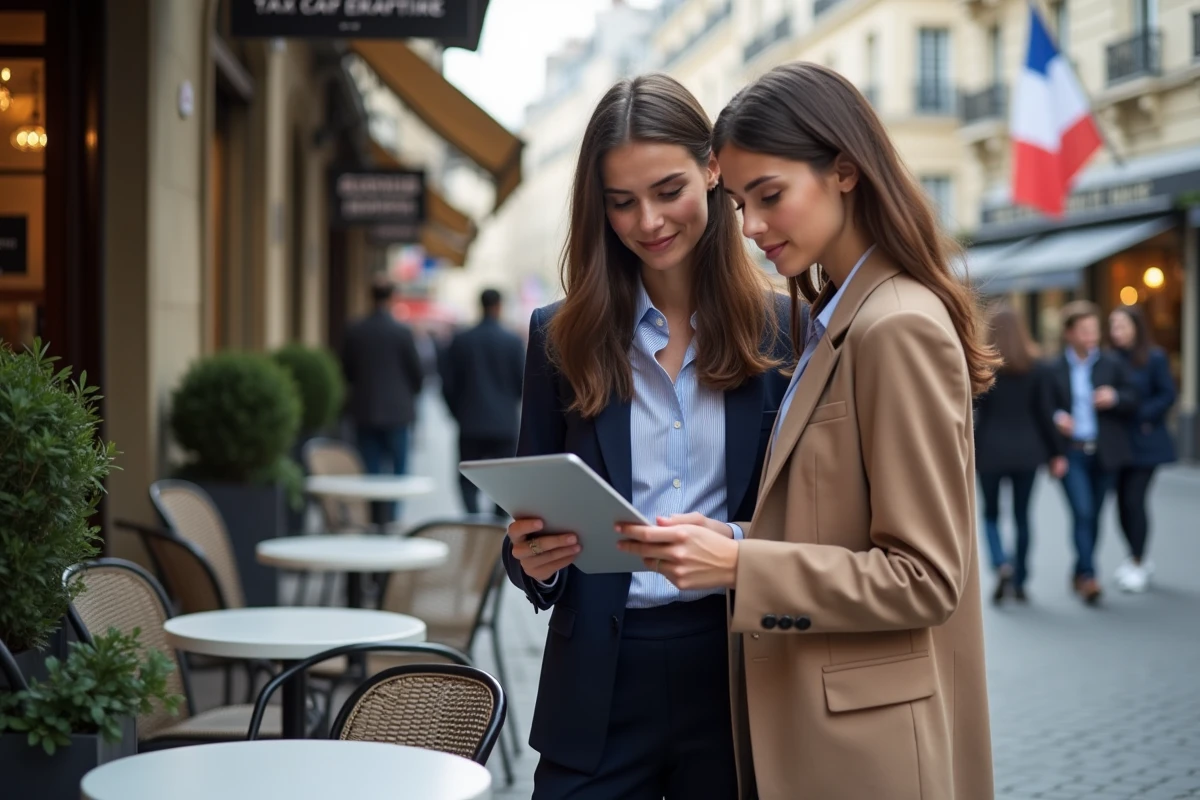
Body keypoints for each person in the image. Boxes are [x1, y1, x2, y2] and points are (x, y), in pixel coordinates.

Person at [616, 63, 998, 799]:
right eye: (738, 203)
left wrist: (737, 569)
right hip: (829, 737)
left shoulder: (897, 326)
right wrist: (729, 540)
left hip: (868, 752)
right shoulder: (838, 320)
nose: (752, 227)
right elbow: (835, 526)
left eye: (770, 197)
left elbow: (923, 579)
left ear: (845, 172)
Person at [501, 74, 793, 799]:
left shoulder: (786, 330)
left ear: (713, 170)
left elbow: (807, 523)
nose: (649, 221)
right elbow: (531, 530)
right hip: (597, 680)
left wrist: (733, 543)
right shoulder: (557, 337)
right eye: (622, 202)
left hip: (736, 670)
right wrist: (532, 561)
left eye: (668, 190)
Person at [1045, 300, 1136, 604]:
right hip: (1071, 452)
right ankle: (1089, 576)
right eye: (1084, 331)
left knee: (1093, 516)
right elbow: (1043, 407)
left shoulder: (1112, 364)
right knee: (1082, 512)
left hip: (1105, 452)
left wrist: (1115, 397)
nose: (1091, 337)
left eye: (1094, 330)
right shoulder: (1054, 368)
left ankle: (1080, 569)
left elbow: (1133, 398)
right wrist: (1058, 418)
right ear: (1069, 333)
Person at [973, 304, 1063, 604]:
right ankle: (1021, 579)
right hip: (1028, 451)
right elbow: (1045, 414)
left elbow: (974, 415)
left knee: (991, 515)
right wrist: (1056, 453)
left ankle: (1001, 563)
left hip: (990, 451)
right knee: (1023, 516)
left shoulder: (981, 366)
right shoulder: (1038, 367)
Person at [340, 276, 425, 526]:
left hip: (364, 410)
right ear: (391, 298)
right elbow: (417, 373)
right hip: (398, 411)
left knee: (370, 469)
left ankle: (375, 516)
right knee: (399, 471)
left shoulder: (355, 330)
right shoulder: (402, 331)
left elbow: (346, 371)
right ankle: (392, 517)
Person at [1108, 304, 1176, 593]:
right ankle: (1134, 555)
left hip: (1146, 443)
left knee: (1135, 501)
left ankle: (1139, 561)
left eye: (1122, 325)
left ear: (1136, 327)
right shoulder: (1109, 359)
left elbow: (1168, 394)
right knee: (1122, 504)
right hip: (1118, 443)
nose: (1117, 332)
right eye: (1113, 326)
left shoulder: (1154, 357)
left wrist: (1142, 414)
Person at [441, 288, 525, 516]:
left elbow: (447, 384)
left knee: (467, 478)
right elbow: (522, 383)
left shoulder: (462, 340)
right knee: (505, 481)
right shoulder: (512, 341)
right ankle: (497, 527)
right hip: (504, 424)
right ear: (499, 306)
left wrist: (459, 413)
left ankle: (474, 522)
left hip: (470, 422)